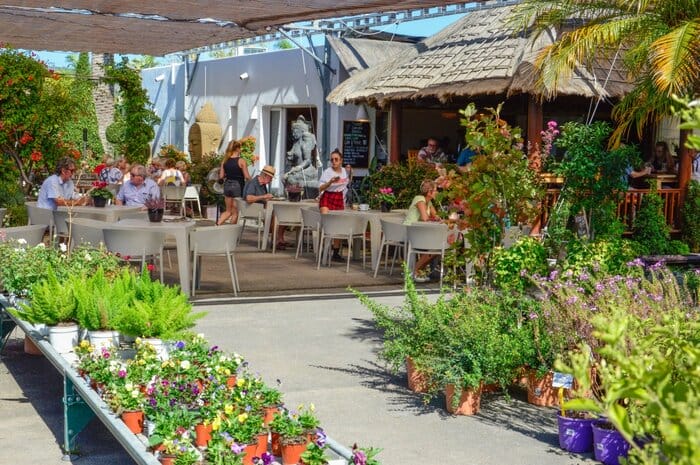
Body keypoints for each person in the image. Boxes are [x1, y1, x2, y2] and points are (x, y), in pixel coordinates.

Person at [318, 149, 352, 261]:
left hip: (338, 198)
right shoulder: (327, 172)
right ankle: (323, 249)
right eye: (332, 159)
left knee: (338, 225)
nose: (334, 161)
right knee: (326, 223)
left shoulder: (344, 171)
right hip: (327, 196)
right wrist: (330, 182)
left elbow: (347, 183)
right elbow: (320, 188)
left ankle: (335, 253)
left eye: (336, 159)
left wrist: (351, 173)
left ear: (341, 160)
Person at [403, 180, 439, 282]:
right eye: (435, 190)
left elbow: (435, 216)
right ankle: (414, 271)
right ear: (429, 191)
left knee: (438, 247)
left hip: (420, 231)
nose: (437, 193)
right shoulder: (419, 199)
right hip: (411, 232)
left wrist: (437, 218)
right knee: (435, 248)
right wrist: (434, 219)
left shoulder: (429, 202)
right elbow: (425, 218)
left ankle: (416, 271)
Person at [243, 165, 286, 248]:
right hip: (253, 210)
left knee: (282, 213)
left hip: (262, 209)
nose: (271, 180)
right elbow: (249, 198)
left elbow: (264, 200)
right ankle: (275, 241)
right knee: (276, 215)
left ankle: (279, 239)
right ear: (265, 176)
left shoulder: (262, 185)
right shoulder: (253, 183)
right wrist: (264, 197)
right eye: (270, 178)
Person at [217, 140, 251, 225]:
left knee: (228, 211)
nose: (241, 150)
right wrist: (253, 181)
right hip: (238, 186)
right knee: (235, 212)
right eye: (240, 148)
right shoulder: (241, 161)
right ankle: (231, 232)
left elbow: (221, 177)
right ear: (237, 148)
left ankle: (217, 224)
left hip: (227, 185)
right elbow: (247, 176)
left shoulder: (224, 161)